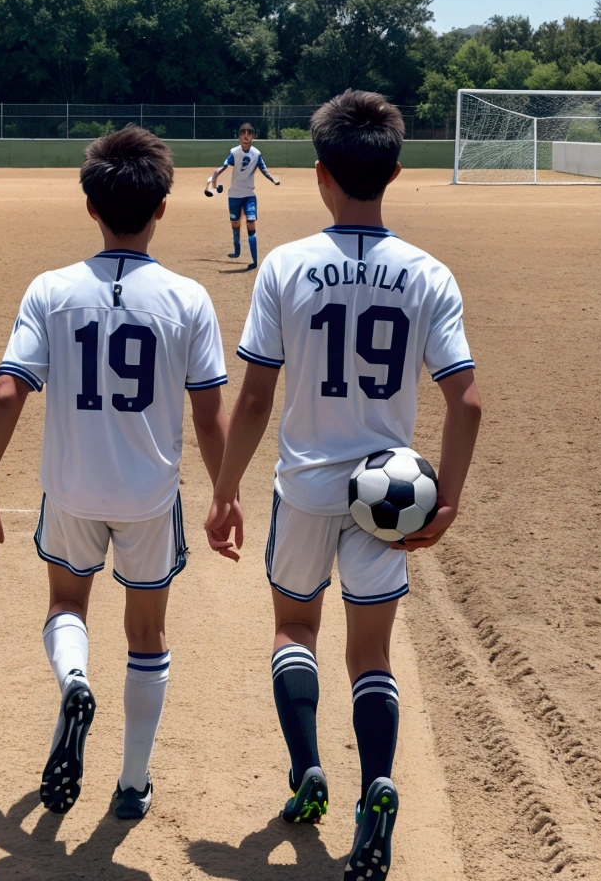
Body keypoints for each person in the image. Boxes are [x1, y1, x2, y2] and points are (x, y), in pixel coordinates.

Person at [205, 91, 481, 878]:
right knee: (371, 658)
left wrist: (225, 491)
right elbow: (467, 397)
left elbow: (255, 398)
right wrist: (448, 498)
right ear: (395, 170)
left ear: (320, 173)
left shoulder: (286, 266)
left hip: (305, 488)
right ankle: (379, 786)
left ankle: (308, 775)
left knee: (295, 632)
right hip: (384, 495)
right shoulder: (429, 274)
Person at [0, 127, 238, 820]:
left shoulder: (51, 290)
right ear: (162, 209)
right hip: (149, 497)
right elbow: (209, 417)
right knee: (146, 636)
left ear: (90, 206)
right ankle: (133, 784)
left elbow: (6, 393)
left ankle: (75, 679)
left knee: (66, 608)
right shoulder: (188, 298)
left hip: (72, 490)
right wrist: (226, 493)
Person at [207, 122, 280, 270]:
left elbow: (264, 169)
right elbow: (224, 166)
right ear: (239, 137)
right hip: (234, 194)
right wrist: (215, 177)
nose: (246, 136)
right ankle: (237, 250)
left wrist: (273, 179)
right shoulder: (234, 152)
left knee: (251, 223)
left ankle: (254, 260)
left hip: (249, 194)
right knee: (235, 223)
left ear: (253, 137)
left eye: (249, 134)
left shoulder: (257, 154)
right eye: (243, 133)